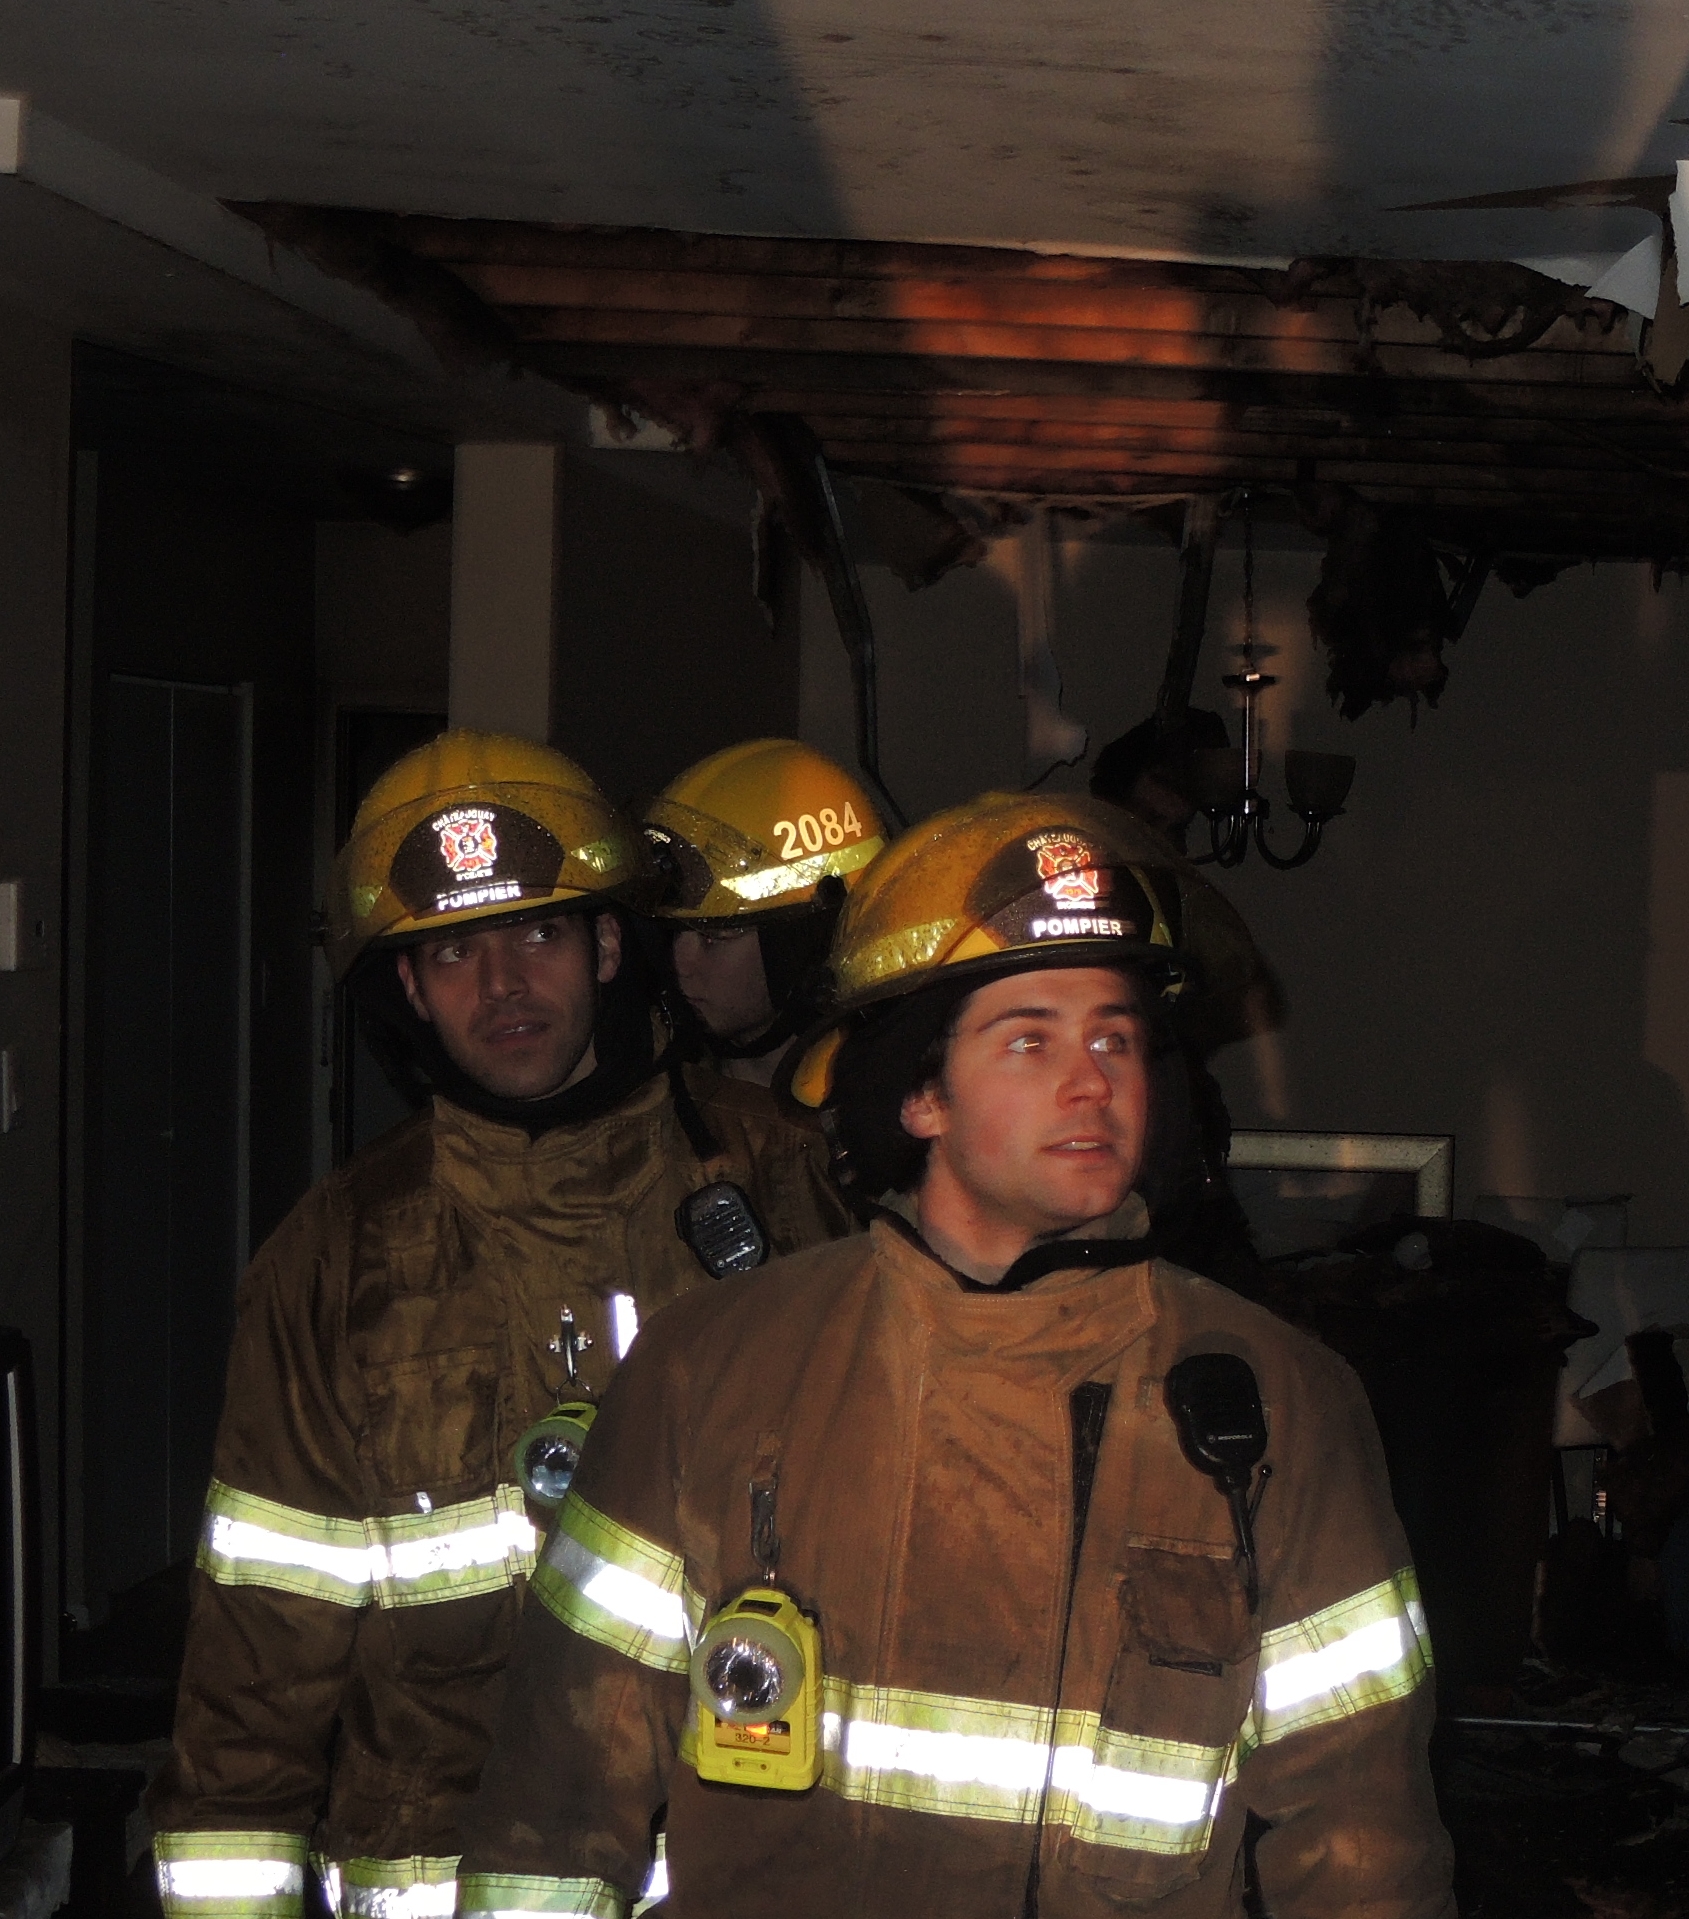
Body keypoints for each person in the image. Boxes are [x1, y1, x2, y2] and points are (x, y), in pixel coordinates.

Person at [457, 792, 1453, 1919]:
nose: (1091, 1081)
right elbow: (558, 1791)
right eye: (1029, 1038)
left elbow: (1364, 1842)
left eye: (1114, 1036)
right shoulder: (713, 1368)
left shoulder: (1278, 1402)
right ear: (920, 1091)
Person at [147, 732, 853, 1919]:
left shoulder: (784, 1184)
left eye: (539, 932)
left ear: (611, 943)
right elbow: (254, 1669)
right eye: (455, 950)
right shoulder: (333, 1261)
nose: (503, 985)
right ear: (410, 989)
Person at [639, 738, 885, 1092]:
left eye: (714, 937)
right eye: (673, 933)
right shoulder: (655, 1105)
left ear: (813, 941)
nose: (682, 965)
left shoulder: (899, 1119)